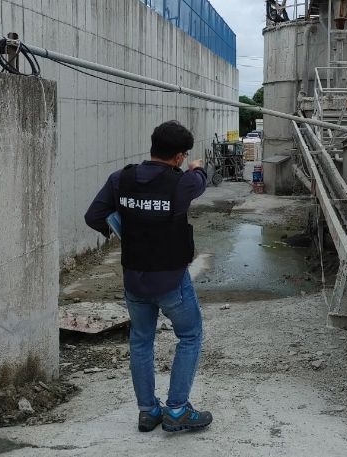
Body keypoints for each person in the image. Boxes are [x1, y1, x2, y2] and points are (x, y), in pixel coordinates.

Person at [84, 120, 212, 433]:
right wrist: (196, 167)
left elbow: (93, 216)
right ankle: (177, 409)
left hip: (134, 278)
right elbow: (200, 180)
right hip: (170, 279)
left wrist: (122, 230)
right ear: (179, 157)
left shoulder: (121, 179)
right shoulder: (182, 183)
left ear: (153, 146)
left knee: (141, 342)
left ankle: (148, 411)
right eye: (184, 156)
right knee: (190, 336)